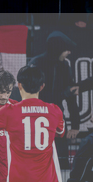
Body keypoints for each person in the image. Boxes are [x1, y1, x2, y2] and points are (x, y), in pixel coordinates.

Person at [29, 31, 80, 168]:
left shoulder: (64, 66)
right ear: (57, 48)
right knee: (36, 158)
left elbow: (71, 96)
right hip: (35, 118)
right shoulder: (36, 63)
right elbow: (28, 94)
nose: (69, 52)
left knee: (61, 158)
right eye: (66, 49)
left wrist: (75, 125)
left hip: (57, 119)